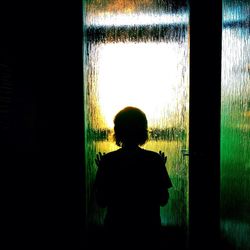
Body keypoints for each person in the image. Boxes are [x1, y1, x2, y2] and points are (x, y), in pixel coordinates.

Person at [94, 106, 172, 249]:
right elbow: (163, 200)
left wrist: (104, 170)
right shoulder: (154, 160)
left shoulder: (108, 161)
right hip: (148, 231)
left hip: (116, 231)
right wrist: (159, 169)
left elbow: (101, 201)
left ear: (117, 131)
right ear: (143, 130)